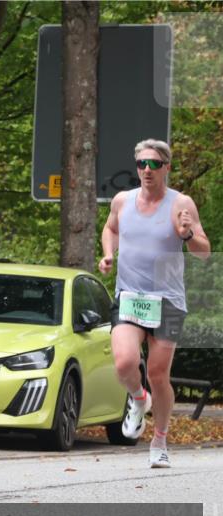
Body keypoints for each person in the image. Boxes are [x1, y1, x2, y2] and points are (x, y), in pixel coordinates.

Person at [99, 138, 211, 469]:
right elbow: (110, 228)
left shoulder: (181, 203)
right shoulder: (122, 201)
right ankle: (137, 398)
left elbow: (204, 254)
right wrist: (109, 253)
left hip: (168, 301)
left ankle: (160, 439)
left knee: (159, 374)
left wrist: (188, 234)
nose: (147, 170)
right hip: (130, 296)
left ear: (167, 168)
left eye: (154, 164)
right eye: (141, 164)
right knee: (124, 362)